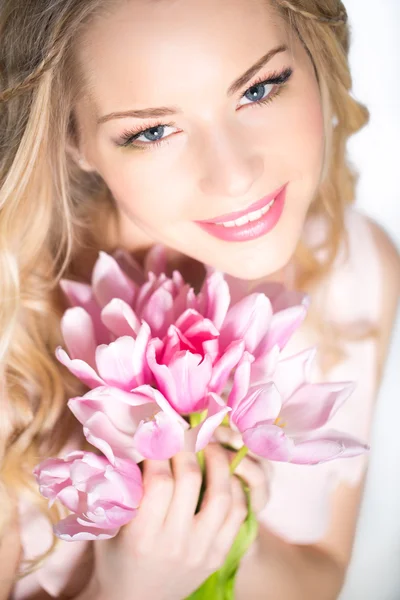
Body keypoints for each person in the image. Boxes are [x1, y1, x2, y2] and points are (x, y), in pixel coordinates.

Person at [0, 0, 399, 598]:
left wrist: (224, 528)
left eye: (260, 89)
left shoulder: (355, 264)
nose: (235, 176)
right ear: (72, 138)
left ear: (313, 59)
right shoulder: (12, 330)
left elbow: (320, 574)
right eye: (153, 131)